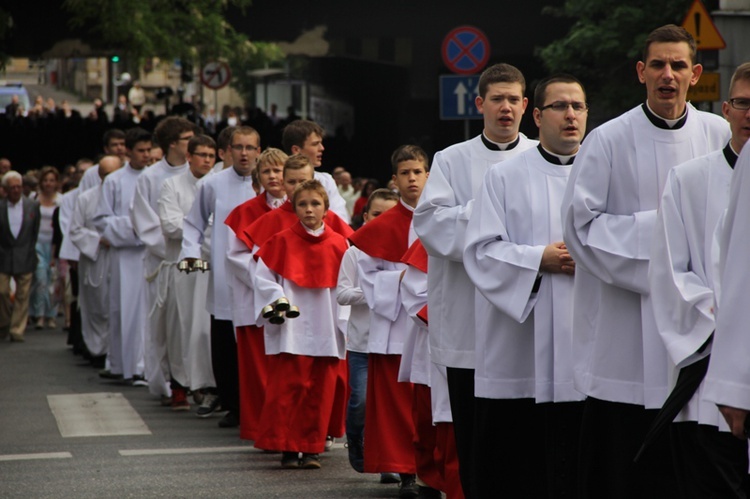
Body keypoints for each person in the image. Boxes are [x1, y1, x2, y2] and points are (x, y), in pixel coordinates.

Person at [560, 25, 729, 498]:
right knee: (623, 466)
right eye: (657, 65)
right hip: (624, 329)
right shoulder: (607, 140)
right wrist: (670, 236)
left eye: (678, 66)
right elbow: (581, 229)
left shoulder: (720, 135)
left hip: (700, 318)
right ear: (641, 72)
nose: (667, 75)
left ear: (695, 74)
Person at [412, 62, 537, 498]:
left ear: (527, 106)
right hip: (467, 317)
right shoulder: (452, 159)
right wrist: (492, 218)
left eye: (514, 100)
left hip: (526, 319)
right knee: (473, 434)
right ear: (480, 104)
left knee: (525, 434)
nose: (506, 108)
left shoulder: (542, 156)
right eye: (497, 99)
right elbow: (430, 225)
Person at [464, 74, 588, 497]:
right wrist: (539, 259)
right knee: (519, 469)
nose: (570, 115)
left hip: (588, 338)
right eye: (560, 106)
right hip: (520, 348)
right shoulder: (504, 176)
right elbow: (479, 251)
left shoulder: (602, 169)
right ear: (536, 116)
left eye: (578, 106)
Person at [649, 63, 750, 497]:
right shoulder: (688, 179)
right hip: (710, 370)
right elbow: (670, 270)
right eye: (743, 103)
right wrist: (725, 323)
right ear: (726, 109)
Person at [350, 145, 431, 498]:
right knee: (398, 407)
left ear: (428, 175)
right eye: (405, 173)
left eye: (418, 171)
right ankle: (405, 472)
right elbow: (368, 279)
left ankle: (431, 470)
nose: (412, 178)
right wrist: (404, 280)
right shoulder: (380, 228)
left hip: (430, 325)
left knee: (429, 404)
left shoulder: (442, 218)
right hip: (396, 326)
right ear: (394, 180)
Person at [253, 179, 349, 469]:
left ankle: (311, 447)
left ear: (326, 208)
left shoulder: (339, 243)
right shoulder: (281, 240)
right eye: (303, 204)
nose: (309, 209)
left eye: (315, 203)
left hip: (326, 325)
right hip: (292, 326)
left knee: (320, 390)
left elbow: (348, 283)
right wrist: (277, 299)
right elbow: (262, 277)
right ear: (294, 208)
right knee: (288, 387)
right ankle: (286, 447)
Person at [179, 126, 260, 428]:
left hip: (256, 277)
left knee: (255, 345)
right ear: (226, 151)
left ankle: (256, 404)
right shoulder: (212, 184)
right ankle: (232, 404)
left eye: (250, 148)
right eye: (238, 147)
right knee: (225, 344)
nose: (244, 153)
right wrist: (190, 253)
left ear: (259, 152)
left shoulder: (266, 184)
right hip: (224, 278)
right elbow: (193, 224)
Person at [131, 117, 196, 404]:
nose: (193, 144)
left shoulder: (200, 173)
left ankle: (194, 381)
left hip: (196, 262)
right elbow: (145, 223)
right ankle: (168, 381)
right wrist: (173, 248)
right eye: (187, 139)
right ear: (172, 144)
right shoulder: (149, 177)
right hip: (163, 262)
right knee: (163, 327)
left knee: (192, 326)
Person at [224, 148, 288, 438]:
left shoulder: (302, 208)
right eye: (267, 171)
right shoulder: (244, 213)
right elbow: (236, 257)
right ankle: (261, 428)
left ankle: (287, 426)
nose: (273, 176)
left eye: (278, 170)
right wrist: (266, 282)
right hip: (253, 299)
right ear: (257, 178)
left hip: (292, 299)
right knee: (257, 369)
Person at [336, 188, 399, 473]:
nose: (382, 220)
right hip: (362, 343)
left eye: (389, 215)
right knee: (361, 399)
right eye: (376, 214)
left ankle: (392, 463)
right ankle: (356, 440)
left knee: (392, 408)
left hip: (396, 343)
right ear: (365, 216)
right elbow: (342, 294)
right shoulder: (354, 252)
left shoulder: (406, 249)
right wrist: (377, 290)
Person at [400, 239, 464, 499]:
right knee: (432, 422)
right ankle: (428, 481)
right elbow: (415, 296)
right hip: (439, 340)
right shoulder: (431, 237)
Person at [158, 135, 217, 411]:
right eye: (201, 154)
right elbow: (171, 226)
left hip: (211, 267)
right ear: (189, 157)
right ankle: (180, 384)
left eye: (211, 155)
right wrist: (202, 227)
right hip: (182, 267)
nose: (207, 160)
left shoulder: (218, 184)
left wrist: (201, 227)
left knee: (206, 329)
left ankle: (207, 384)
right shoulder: (172, 185)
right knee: (179, 327)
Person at [94, 127, 153, 385]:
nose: (146, 155)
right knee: (122, 310)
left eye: (149, 150)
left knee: (147, 313)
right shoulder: (114, 181)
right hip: (124, 255)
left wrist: (147, 230)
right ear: (128, 151)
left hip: (151, 252)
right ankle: (121, 364)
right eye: (141, 151)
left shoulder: (154, 178)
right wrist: (135, 228)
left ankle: (143, 366)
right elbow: (101, 220)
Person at [69, 156, 122, 366]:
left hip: (120, 256)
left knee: (117, 304)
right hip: (96, 258)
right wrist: (98, 239)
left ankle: (115, 352)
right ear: (99, 175)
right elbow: (75, 230)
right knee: (97, 305)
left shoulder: (127, 195)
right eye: (105, 173)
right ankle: (97, 350)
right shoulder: (86, 198)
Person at [281, 120, 350, 223]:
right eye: (315, 144)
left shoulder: (326, 181)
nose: (322, 148)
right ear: (296, 150)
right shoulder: (275, 179)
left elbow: (341, 220)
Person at [0, 171, 40, 342]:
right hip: (3, 255)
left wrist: (31, 250)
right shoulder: (0, 207)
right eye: (12, 187)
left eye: (19, 187)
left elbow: (35, 231)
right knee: (2, 292)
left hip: (25, 254)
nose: (16, 190)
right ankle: (5, 323)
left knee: (23, 295)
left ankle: (17, 329)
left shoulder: (32, 205)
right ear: (5, 190)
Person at [29, 166, 61, 330]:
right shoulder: (34, 198)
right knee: (41, 279)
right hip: (37, 243)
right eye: (46, 180)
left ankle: (52, 315)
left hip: (54, 244)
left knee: (53, 280)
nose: (48, 184)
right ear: (41, 182)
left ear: (56, 183)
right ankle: (39, 314)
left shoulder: (61, 200)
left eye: (52, 180)